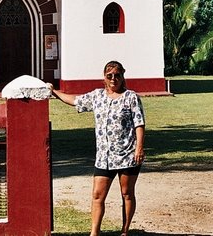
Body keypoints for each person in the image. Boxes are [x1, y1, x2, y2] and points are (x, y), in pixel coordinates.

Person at [49, 60, 145, 236]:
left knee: (127, 194)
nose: (114, 79)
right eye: (110, 76)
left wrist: (139, 148)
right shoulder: (97, 96)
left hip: (127, 154)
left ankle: (125, 231)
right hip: (104, 157)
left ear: (123, 76)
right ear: (104, 78)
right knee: (97, 195)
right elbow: (75, 100)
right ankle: (95, 232)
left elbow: (139, 123)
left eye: (117, 75)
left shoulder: (131, 97)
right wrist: (54, 92)